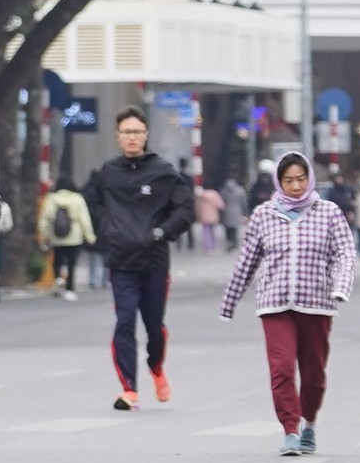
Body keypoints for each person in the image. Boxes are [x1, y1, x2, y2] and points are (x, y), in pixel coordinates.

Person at [219, 152, 357, 456]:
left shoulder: (329, 212)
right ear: (278, 183)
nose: (295, 186)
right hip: (275, 303)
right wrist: (229, 302)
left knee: (314, 373)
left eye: (300, 179)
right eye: (288, 180)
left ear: (310, 179)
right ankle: (290, 430)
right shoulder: (263, 214)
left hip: (316, 303)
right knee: (281, 368)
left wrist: (340, 287)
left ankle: (309, 422)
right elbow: (247, 261)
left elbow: (345, 254)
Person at [82, 107, 193, 412]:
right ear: (118, 137)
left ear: (146, 135)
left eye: (137, 132)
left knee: (154, 327)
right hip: (121, 261)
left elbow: (185, 209)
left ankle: (156, 368)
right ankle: (129, 389)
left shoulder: (164, 172)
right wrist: (107, 229)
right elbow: (89, 203)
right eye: (126, 132)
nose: (132, 138)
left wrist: (162, 232)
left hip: (155, 260)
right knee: (125, 320)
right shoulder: (108, 173)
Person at [38, 177, 95, 301]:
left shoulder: (51, 198)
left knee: (57, 260)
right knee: (71, 263)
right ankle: (69, 289)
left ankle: (58, 278)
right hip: (74, 235)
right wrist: (89, 236)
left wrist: (44, 235)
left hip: (56, 235)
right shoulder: (77, 198)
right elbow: (84, 219)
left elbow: (45, 219)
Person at [220, 175, 248, 251]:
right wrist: (245, 211)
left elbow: (221, 201)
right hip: (237, 211)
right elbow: (243, 202)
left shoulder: (224, 190)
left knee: (227, 228)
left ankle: (229, 241)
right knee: (235, 229)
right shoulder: (240, 190)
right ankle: (234, 242)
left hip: (227, 211)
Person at [197, 184, 225, 253]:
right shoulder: (215, 195)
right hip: (213, 216)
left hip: (204, 216)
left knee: (206, 232)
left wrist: (198, 215)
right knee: (213, 232)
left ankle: (207, 248)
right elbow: (221, 205)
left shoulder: (201, 196)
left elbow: (197, 207)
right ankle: (213, 247)